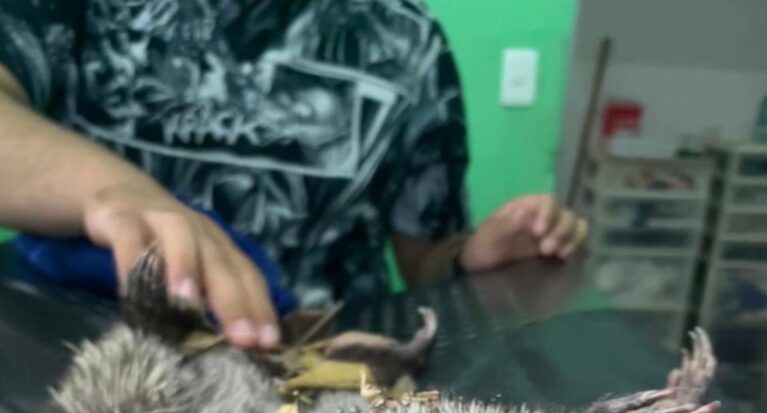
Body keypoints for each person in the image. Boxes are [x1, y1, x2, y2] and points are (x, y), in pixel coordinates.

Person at [0, 1, 588, 351]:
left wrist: (467, 261)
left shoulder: (403, 37)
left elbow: (423, 260)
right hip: (93, 363)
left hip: (318, 378)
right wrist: (116, 190)